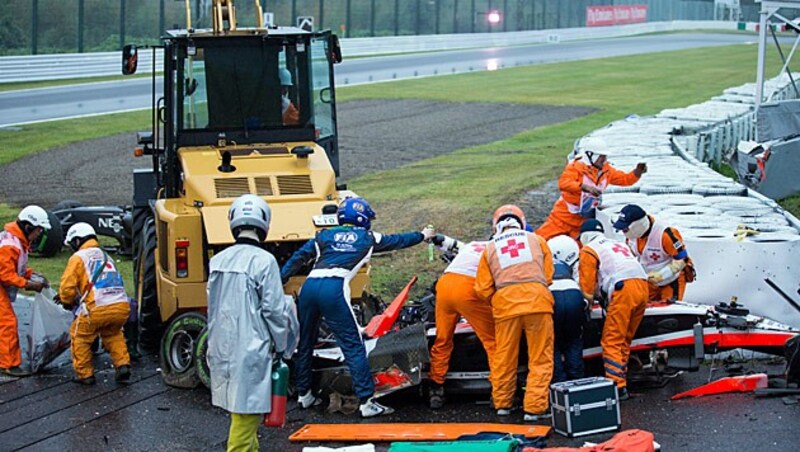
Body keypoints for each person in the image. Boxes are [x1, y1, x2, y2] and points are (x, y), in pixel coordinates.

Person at [281, 197, 435, 418]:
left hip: (310, 287)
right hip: (334, 287)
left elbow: (298, 258)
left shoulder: (323, 235)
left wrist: (280, 278)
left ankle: (304, 395)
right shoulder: (368, 237)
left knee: (305, 341)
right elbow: (398, 240)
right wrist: (422, 236)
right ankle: (366, 401)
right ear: (362, 218)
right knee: (353, 346)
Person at [206, 194, 299, 451]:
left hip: (222, 347)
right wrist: (283, 346)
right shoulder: (264, 261)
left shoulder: (217, 261)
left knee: (242, 413)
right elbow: (274, 310)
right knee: (245, 418)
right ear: (264, 224)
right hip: (252, 349)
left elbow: (212, 305)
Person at [474, 205, 555, 422]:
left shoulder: (489, 248)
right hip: (538, 303)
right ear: (521, 221)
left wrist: (500, 298)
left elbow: (481, 288)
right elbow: (548, 275)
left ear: (497, 226)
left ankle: (502, 404)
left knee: (504, 357)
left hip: (505, 307)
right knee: (540, 357)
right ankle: (535, 408)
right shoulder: (537, 240)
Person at [577, 219, 648, 400]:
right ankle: (623, 375)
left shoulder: (589, 250)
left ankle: (617, 386)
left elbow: (586, 289)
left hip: (623, 290)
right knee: (625, 338)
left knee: (612, 341)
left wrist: (585, 308)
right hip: (643, 286)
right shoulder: (616, 243)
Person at [57, 222, 131, 385]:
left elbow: (67, 287)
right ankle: (122, 364)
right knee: (113, 334)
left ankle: (85, 375)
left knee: (79, 336)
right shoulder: (106, 256)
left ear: (77, 241)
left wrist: (66, 301)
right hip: (121, 306)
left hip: (97, 308)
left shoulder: (78, 257)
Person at [427, 234, 495, 409]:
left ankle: (436, 388)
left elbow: (451, 244)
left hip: (445, 284)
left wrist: (439, 238)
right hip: (468, 288)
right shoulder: (499, 249)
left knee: (442, 339)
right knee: (493, 342)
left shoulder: (474, 244)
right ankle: (500, 391)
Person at [536, 137, 647, 240]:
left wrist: (636, 173)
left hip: (584, 221)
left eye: (605, 156)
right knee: (540, 240)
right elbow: (563, 183)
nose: (604, 160)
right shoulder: (576, 168)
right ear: (590, 155)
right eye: (601, 156)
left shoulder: (606, 171)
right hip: (563, 217)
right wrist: (584, 187)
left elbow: (624, 179)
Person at [0, 205, 51, 377]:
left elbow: (15, 266)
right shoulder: (10, 244)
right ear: (28, 227)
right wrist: (28, 284)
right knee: (7, 323)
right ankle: (9, 364)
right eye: (38, 230)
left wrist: (32, 275)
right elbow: (6, 274)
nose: (39, 234)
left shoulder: (16, 241)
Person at [612, 204, 695, 302]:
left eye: (625, 229)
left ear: (637, 225)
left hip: (671, 280)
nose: (623, 232)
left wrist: (662, 275)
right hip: (649, 279)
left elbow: (683, 259)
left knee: (668, 310)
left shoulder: (665, 234)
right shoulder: (631, 237)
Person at [547, 235, 586, 383]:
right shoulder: (572, 263)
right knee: (574, 340)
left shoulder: (540, 261)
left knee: (551, 343)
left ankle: (558, 383)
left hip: (552, 297)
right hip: (573, 294)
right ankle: (577, 381)